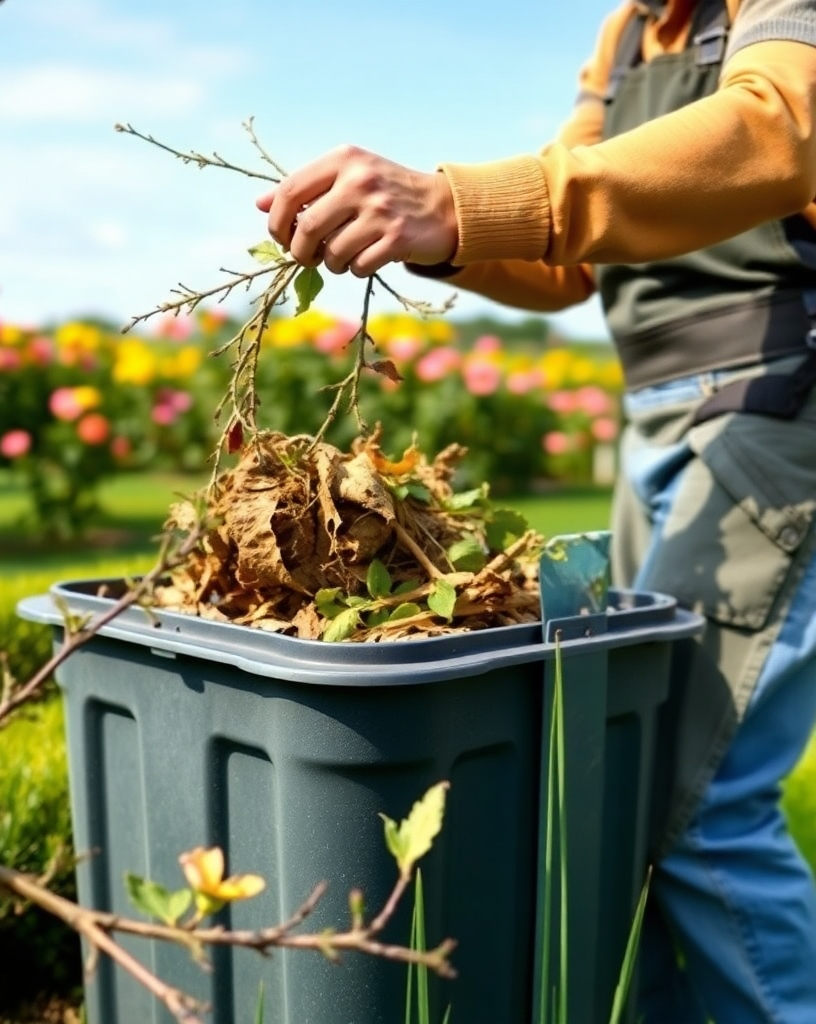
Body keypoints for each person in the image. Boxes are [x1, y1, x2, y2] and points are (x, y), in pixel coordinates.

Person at [257, 1, 816, 1022]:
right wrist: (428, 232)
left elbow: (779, 125)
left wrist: (458, 199)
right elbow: (564, 257)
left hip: (778, 403)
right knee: (621, 786)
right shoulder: (624, 36)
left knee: (699, 806)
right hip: (660, 415)